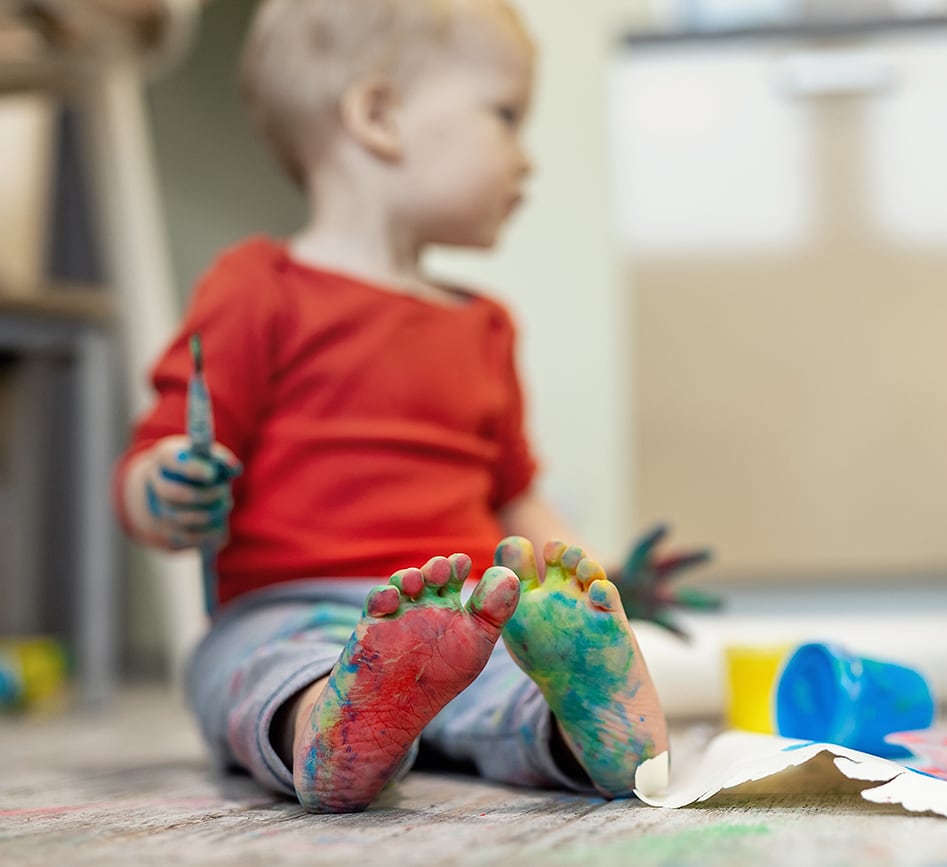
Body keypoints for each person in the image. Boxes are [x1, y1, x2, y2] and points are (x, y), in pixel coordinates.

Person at [112, 0, 668, 813]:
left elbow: (516, 493)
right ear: (378, 116)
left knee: (514, 681)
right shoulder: (255, 288)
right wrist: (164, 486)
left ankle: (585, 726)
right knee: (259, 671)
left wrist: (596, 583)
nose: (526, 158)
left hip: (474, 619)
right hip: (286, 610)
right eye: (506, 115)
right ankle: (337, 724)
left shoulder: (486, 328)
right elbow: (157, 452)